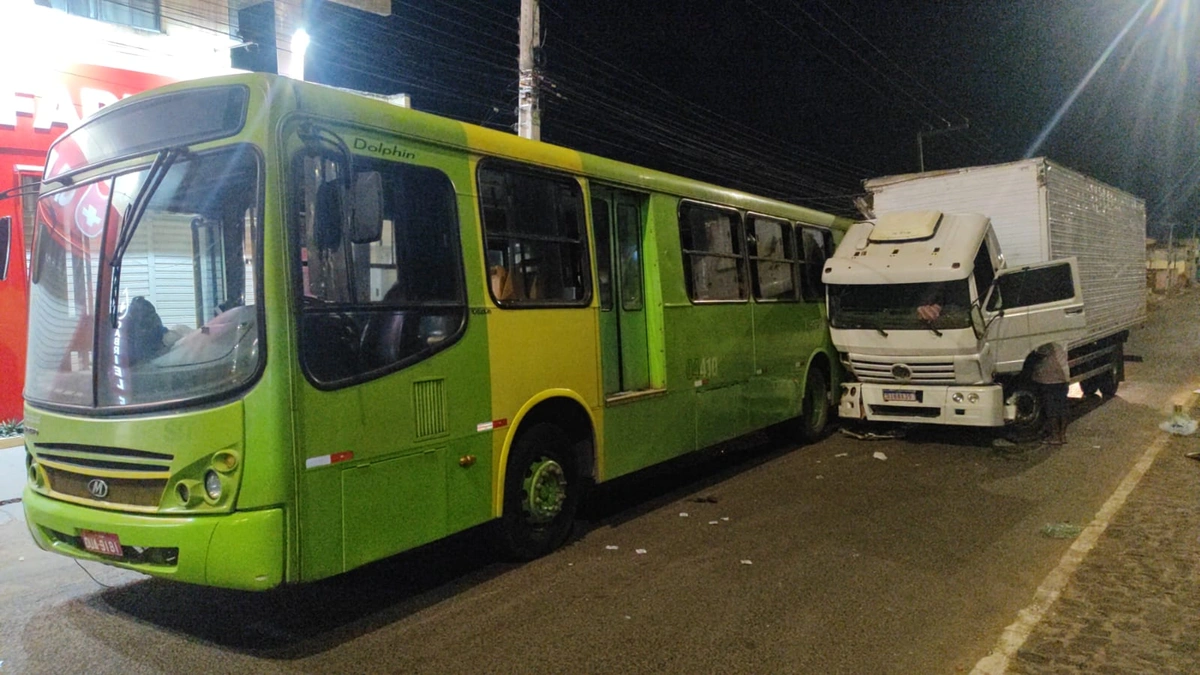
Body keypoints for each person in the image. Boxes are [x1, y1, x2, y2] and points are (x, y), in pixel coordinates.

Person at [1031, 342, 1070, 444]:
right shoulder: (1060, 340)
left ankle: (1055, 435)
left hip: (1049, 377)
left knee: (1051, 407)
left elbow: (1040, 354)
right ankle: (1062, 435)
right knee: (1062, 406)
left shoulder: (1047, 341)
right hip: (1063, 375)